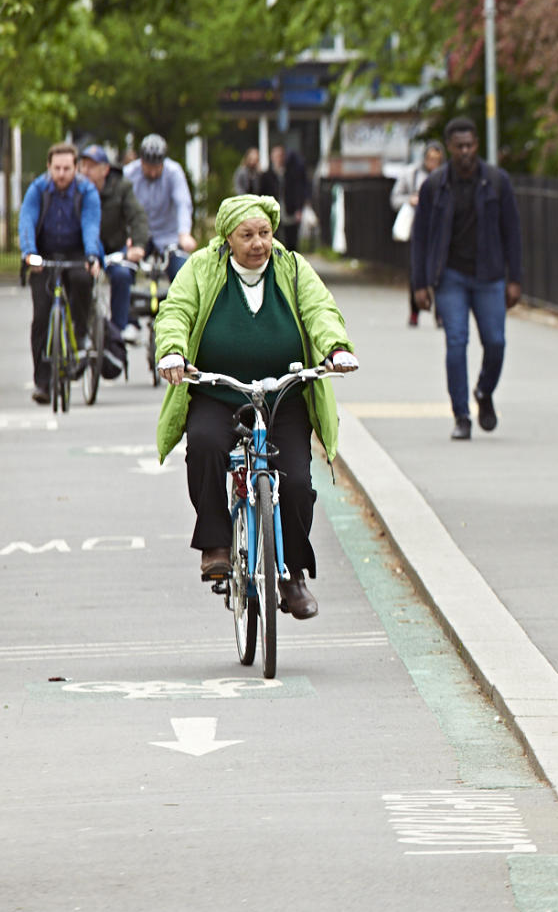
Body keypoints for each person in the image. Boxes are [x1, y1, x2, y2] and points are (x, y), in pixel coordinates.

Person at [153, 195, 359, 621]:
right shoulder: (202, 268)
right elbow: (176, 311)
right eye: (247, 235)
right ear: (228, 239)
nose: (259, 244)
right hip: (219, 391)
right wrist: (173, 352)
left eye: (265, 233)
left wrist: (335, 347)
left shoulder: (292, 268)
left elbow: (321, 311)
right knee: (207, 445)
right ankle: (216, 544)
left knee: (298, 483)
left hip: (282, 395)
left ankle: (292, 576)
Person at [410, 117, 523, 439]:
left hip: (489, 276)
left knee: (496, 342)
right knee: (456, 343)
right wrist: (419, 284)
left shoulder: (496, 181)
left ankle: (484, 392)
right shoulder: (434, 186)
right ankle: (461, 415)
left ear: (477, 145)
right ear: (449, 148)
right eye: (458, 146)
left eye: (470, 145)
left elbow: (513, 232)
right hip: (450, 277)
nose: (465, 152)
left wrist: (515, 278)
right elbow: (421, 238)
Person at [18, 143, 104, 404]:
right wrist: (29, 253)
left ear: (76, 168)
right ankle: (42, 383)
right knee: (41, 316)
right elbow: (27, 221)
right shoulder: (38, 190)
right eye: (57, 168)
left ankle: (80, 333)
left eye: (67, 168)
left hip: (77, 252)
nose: (62, 173)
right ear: (49, 167)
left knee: (81, 281)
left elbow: (90, 224)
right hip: (44, 255)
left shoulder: (86, 191)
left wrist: (91, 255)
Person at [76, 144, 149, 341]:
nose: (85, 171)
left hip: (115, 247)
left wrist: (139, 246)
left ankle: (118, 330)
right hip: (86, 247)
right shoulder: (77, 188)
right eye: (83, 165)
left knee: (122, 275)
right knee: (79, 278)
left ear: (105, 169)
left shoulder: (121, 187)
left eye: (91, 166)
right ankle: (79, 328)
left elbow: (137, 216)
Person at [123, 133, 197, 276]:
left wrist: (184, 233)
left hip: (168, 235)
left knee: (183, 273)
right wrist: (126, 235)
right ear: (141, 161)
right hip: (139, 235)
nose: (152, 172)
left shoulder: (174, 172)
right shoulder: (129, 173)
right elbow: (121, 207)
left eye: (157, 167)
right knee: (124, 271)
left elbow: (183, 203)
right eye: (148, 167)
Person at [391, 142, 444, 326]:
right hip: (418, 230)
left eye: (437, 160)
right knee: (416, 273)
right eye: (430, 159)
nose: (433, 164)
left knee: (439, 273)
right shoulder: (411, 174)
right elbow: (395, 199)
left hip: (439, 231)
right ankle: (415, 311)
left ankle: (440, 313)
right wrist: (411, 199)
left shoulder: (446, 177)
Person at [270, 144, 311, 251]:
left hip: (290, 211)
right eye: (276, 156)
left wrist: (299, 209)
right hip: (274, 212)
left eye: (281, 155)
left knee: (291, 240)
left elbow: (298, 191)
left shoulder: (292, 173)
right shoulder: (268, 175)